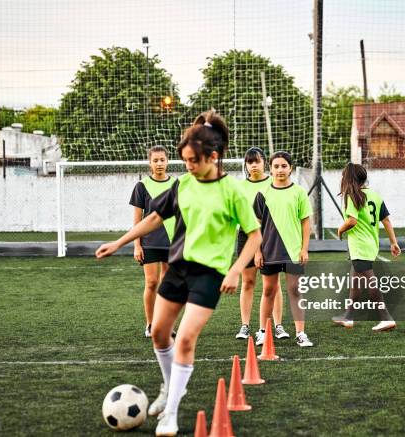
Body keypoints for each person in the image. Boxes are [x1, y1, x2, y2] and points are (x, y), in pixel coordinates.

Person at [96, 111, 261, 437]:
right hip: (179, 268)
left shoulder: (233, 191)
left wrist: (235, 271)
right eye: (184, 160)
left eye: (192, 161)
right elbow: (154, 218)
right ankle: (172, 387)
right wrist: (120, 241)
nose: (187, 166)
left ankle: (170, 412)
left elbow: (254, 235)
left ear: (212, 157)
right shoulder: (183, 184)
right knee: (159, 333)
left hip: (210, 275)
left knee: (185, 340)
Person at [253, 151, 314, 347]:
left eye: (284, 166)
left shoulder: (299, 193)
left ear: (291, 168)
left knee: (295, 291)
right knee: (269, 291)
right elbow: (255, 225)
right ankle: (262, 331)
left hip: (294, 251)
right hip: (269, 251)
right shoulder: (263, 194)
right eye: (276, 166)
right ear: (270, 169)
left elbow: (306, 222)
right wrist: (257, 251)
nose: (280, 169)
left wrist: (305, 249)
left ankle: (300, 333)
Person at [333, 162, 401, 331]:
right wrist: (394, 242)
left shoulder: (352, 196)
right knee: (355, 280)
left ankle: (386, 317)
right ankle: (348, 317)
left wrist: (340, 230)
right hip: (370, 244)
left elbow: (351, 221)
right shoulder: (375, 195)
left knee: (371, 281)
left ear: (349, 180)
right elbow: (386, 220)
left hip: (360, 246)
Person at [235, 147, 290, 343]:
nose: (254, 165)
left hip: (273, 237)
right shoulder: (240, 187)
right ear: (246, 166)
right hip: (247, 237)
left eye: (257, 161)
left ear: (265, 163)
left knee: (273, 285)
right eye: (250, 162)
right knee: (248, 282)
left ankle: (278, 326)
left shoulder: (274, 181)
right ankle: (245, 325)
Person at [129, 146, 176, 338]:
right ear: (150, 163)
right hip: (149, 242)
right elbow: (137, 220)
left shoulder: (177, 184)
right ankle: (150, 324)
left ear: (167, 161)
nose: (159, 164)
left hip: (173, 243)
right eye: (155, 160)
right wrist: (137, 245)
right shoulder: (142, 186)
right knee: (151, 283)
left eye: (162, 160)